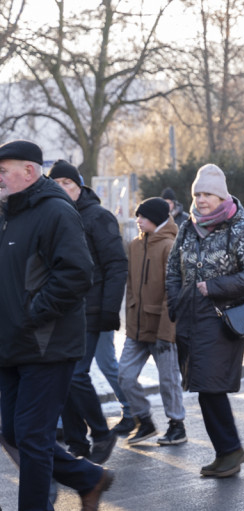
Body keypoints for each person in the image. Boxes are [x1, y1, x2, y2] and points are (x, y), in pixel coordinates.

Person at [0, 140, 114, 511]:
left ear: (29, 172)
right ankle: (88, 478)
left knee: (31, 433)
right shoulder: (9, 213)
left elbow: (77, 274)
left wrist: (32, 313)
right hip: (12, 344)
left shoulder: (54, 211)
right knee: (12, 430)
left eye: (4, 170)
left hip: (46, 343)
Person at [166, 164, 244, 478]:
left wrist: (213, 287)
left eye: (208, 193)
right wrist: (176, 302)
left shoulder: (240, 228)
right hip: (190, 318)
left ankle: (230, 450)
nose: (202, 199)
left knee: (210, 386)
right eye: (197, 193)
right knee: (204, 387)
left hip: (222, 319)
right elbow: (172, 270)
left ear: (221, 196)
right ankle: (227, 452)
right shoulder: (187, 227)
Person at [48, 159, 127, 465]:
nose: (62, 190)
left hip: (93, 310)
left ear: (79, 187)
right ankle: (77, 441)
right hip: (64, 311)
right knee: (64, 375)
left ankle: (102, 433)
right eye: (56, 185)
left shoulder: (98, 217)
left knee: (77, 374)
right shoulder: (54, 217)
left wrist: (109, 310)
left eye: (67, 184)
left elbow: (116, 265)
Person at [119, 198, 187, 446]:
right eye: (137, 216)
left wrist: (167, 331)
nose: (138, 220)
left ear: (156, 218)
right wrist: (129, 321)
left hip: (162, 327)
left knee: (168, 380)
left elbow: (174, 292)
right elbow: (130, 287)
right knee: (125, 375)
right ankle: (144, 421)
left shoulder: (170, 246)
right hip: (137, 328)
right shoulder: (134, 246)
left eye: (142, 216)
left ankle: (176, 424)